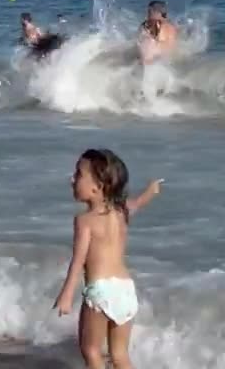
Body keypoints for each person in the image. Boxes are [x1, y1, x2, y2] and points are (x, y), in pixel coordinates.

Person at [54, 149, 162, 369]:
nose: (72, 179)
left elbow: (78, 261)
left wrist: (66, 294)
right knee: (120, 354)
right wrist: (151, 191)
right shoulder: (121, 212)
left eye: (78, 174)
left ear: (98, 187)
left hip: (101, 292)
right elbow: (138, 203)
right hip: (126, 290)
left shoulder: (84, 220)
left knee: (91, 351)